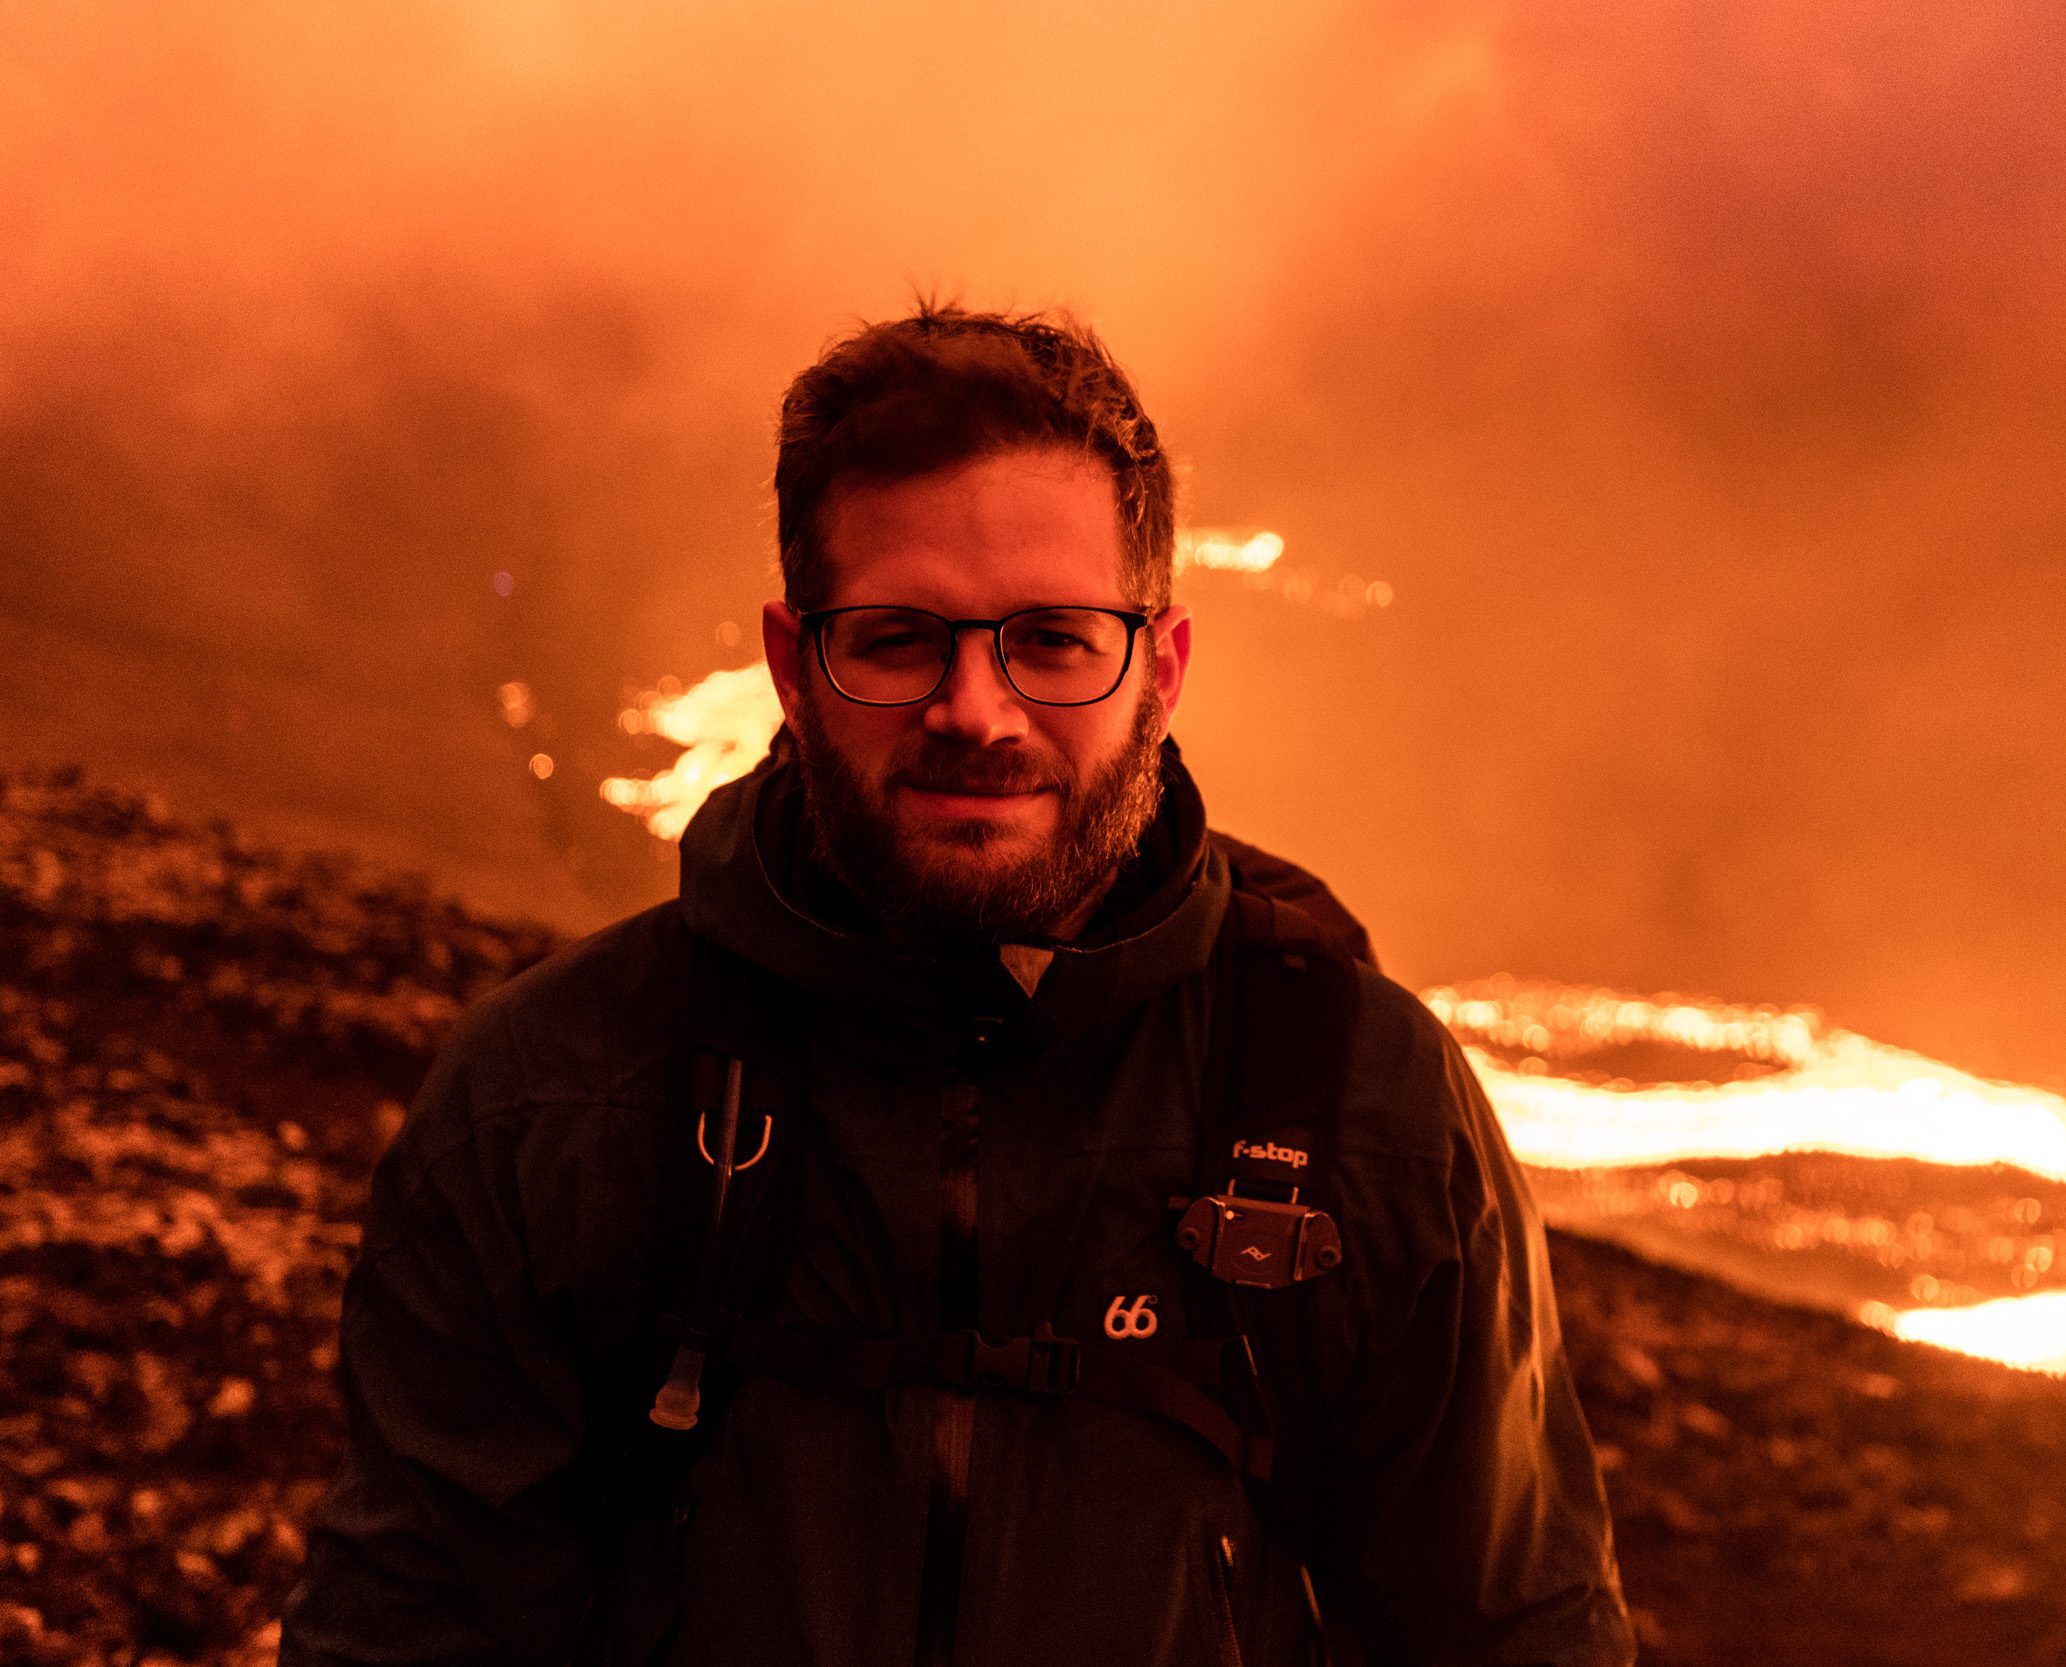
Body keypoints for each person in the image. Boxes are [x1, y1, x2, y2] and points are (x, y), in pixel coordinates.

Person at [281, 304, 1634, 1666]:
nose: (975, 711)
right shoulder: (552, 1104)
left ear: (1159, 671)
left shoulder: (1364, 1104)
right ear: (790, 668)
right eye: (896, 638)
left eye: (1050, 640)